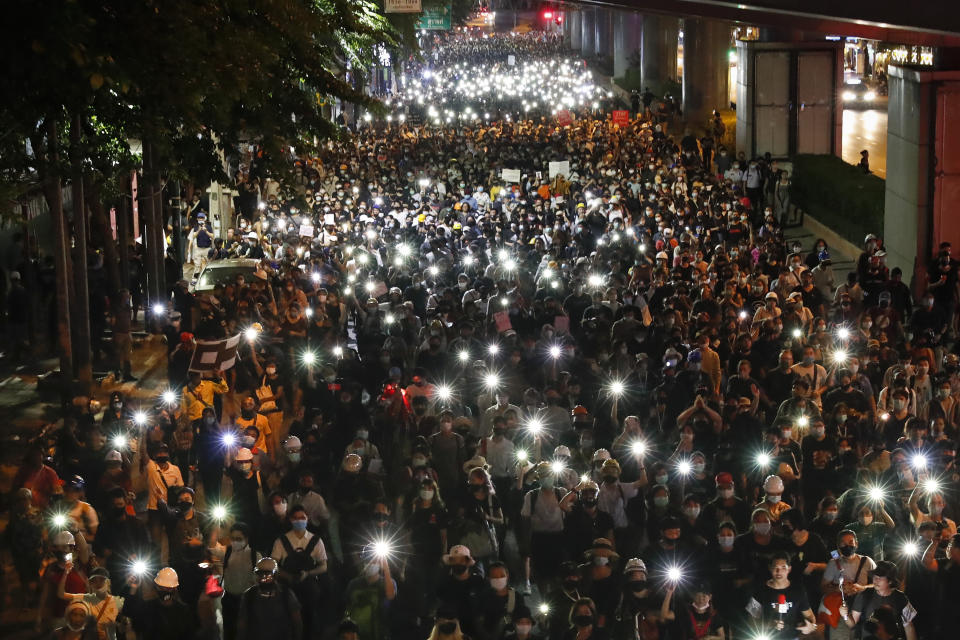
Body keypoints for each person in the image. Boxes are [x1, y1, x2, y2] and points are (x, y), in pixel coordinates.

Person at [745, 552, 817, 639]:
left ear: (789, 569)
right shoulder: (760, 590)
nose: (779, 572)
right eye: (775, 568)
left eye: (783, 568)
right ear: (770, 568)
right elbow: (751, 620)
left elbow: (810, 616)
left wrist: (810, 626)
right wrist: (770, 624)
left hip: (792, 637)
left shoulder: (798, 590)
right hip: (767, 636)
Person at [838, 560, 917, 640]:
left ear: (890, 581)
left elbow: (909, 628)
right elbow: (852, 624)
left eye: (880, 577)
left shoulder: (900, 598)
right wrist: (846, 615)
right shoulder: (864, 595)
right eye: (875, 576)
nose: (876, 580)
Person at [237, 557, 303, 640]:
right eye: (260, 574)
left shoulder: (286, 594)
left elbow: (297, 622)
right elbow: (242, 623)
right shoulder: (249, 595)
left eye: (267, 574)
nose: (264, 578)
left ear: (275, 575)